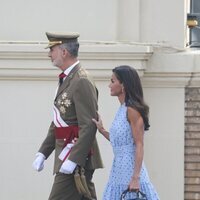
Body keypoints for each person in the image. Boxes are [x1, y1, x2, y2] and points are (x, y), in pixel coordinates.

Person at [32, 32, 103, 200]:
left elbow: (89, 124)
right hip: (66, 153)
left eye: (52, 49)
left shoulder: (81, 80)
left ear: (64, 52)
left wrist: (74, 159)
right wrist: (43, 152)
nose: (49, 54)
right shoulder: (67, 79)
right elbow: (59, 121)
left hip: (77, 158)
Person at [92, 65, 159, 199]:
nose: (109, 85)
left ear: (124, 85)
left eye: (112, 81)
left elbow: (139, 144)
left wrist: (135, 178)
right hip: (118, 171)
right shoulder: (122, 108)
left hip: (130, 171)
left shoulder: (132, 110)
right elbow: (120, 143)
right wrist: (102, 130)